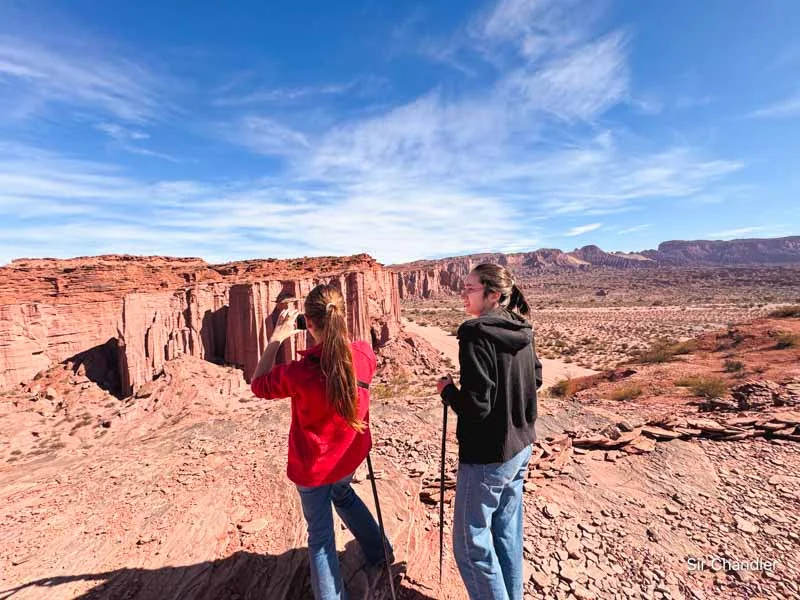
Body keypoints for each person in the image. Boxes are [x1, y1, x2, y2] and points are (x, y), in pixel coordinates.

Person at [250, 284, 392, 600]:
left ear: (309, 324)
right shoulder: (364, 354)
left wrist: (277, 337)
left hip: (312, 468)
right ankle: (381, 553)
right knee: (343, 495)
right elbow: (346, 354)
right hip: (348, 458)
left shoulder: (299, 373)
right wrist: (314, 326)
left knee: (321, 537)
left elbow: (258, 384)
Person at [436, 263, 542, 600]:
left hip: (487, 457)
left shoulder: (474, 332)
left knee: (470, 546)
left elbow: (476, 407)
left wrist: (448, 391)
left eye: (470, 288)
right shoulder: (522, 328)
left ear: (492, 294)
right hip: (521, 447)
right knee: (506, 532)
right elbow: (535, 379)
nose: (462, 294)